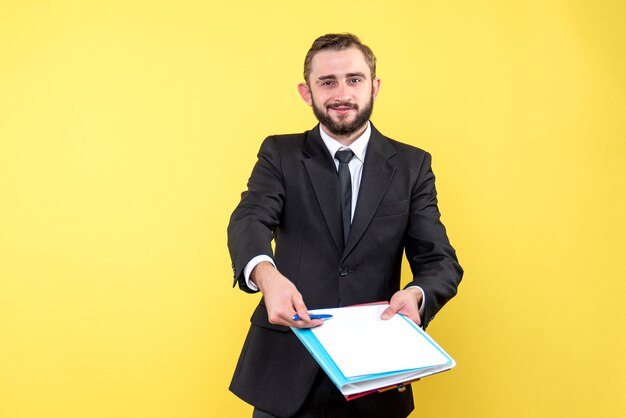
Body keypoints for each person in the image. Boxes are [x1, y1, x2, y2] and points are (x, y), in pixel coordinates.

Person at [227, 33, 463, 418]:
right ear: (307, 92)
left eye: (354, 79)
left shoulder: (412, 165)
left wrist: (418, 295)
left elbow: (440, 261)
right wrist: (267, 276)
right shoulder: (279, 154)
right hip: (287, 373)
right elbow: (250, 218)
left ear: (375, 86)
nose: (342, 93)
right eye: (327, 82)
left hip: (377, 379)